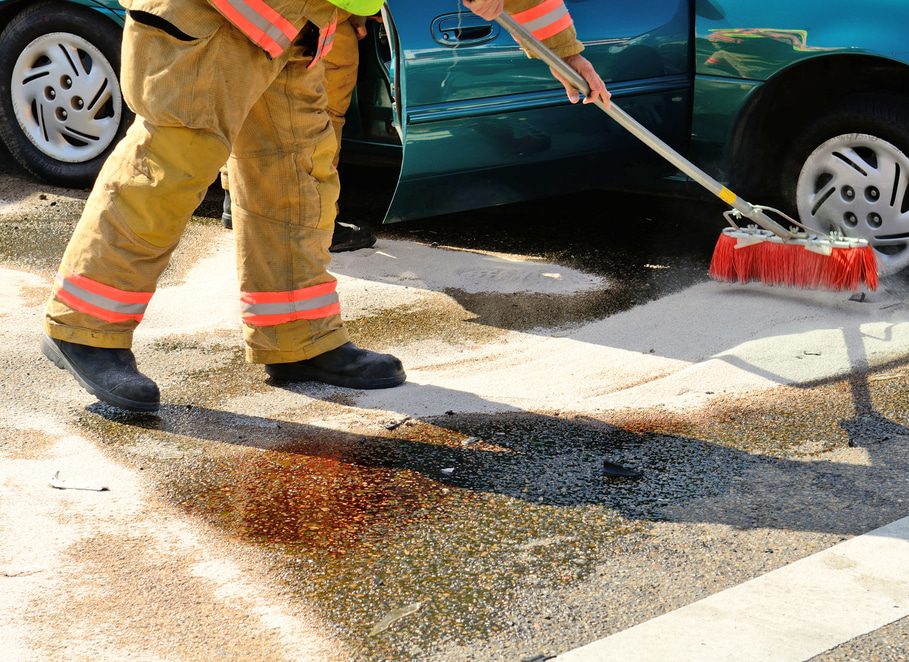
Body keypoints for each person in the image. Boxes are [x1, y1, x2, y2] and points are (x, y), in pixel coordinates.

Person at [41, 0, 610, 413]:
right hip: (210, 16)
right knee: (169, 168)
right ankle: (85, 328)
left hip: (298, 25)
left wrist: (562, 51)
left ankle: (297, 338)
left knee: (297, 180)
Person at [220, 13, 377, 252]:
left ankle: (236, 198)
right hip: (322, 16)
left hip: (256, 15)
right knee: (322, 115)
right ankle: (319, 222)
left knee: (251, 103)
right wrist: (361, 12)